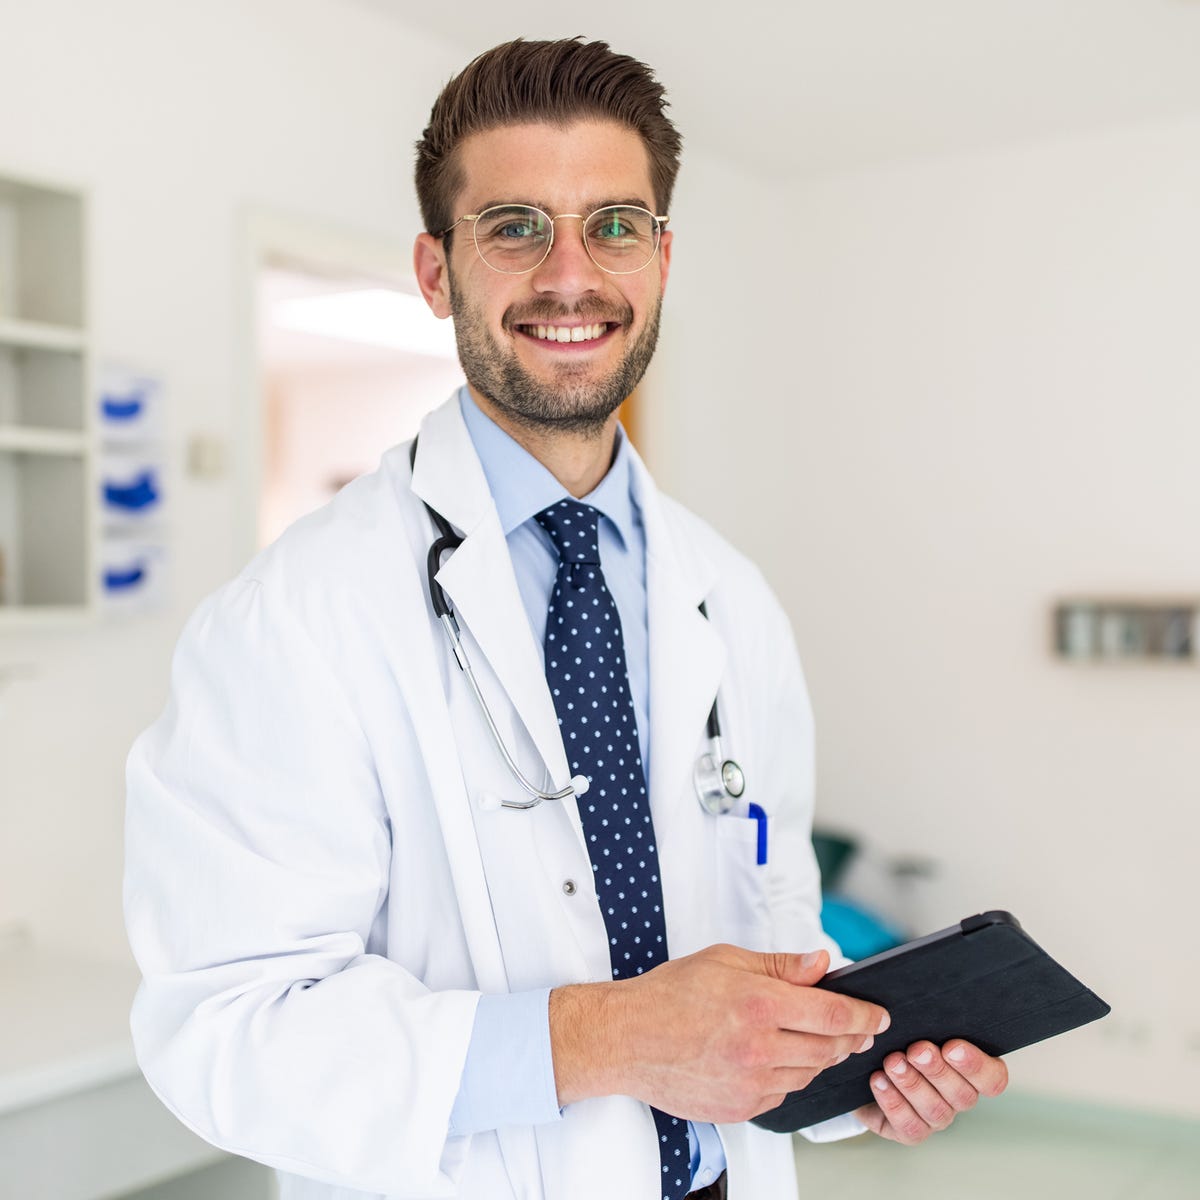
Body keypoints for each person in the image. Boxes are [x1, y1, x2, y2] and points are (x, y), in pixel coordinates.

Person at [124, 37, 1008, 1200]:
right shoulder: (292, 621)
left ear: (662, 259)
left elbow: (767, 873)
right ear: (438, 272)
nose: (570, 275)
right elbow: (229, 1035)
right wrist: (606, 1038)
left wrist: (856, 1062)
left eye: (614, 225)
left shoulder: (730, 598)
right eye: (515, 227)